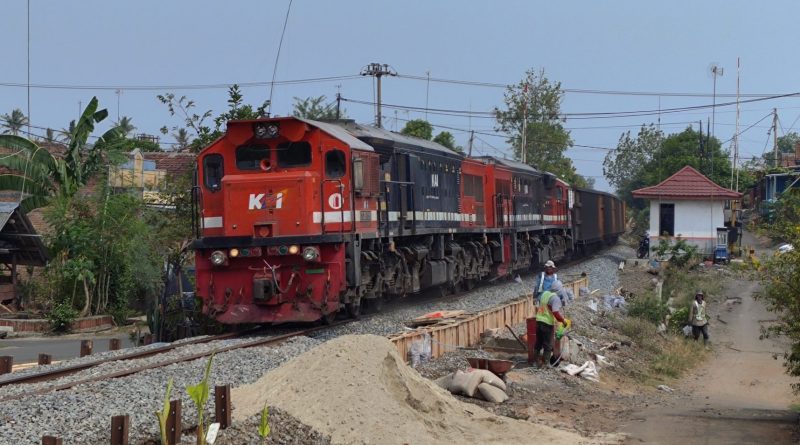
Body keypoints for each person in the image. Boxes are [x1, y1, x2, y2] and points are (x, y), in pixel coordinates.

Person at [532, 280, 568, 368]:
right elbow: (555, 312)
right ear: (560, 289)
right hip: (547, 323)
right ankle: (546, 364)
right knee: (547, 344)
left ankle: (534, 361)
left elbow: (541, 305)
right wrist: (563, 321)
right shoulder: (555, 298)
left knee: (538, 342)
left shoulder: (545, 294)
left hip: (539, 320)